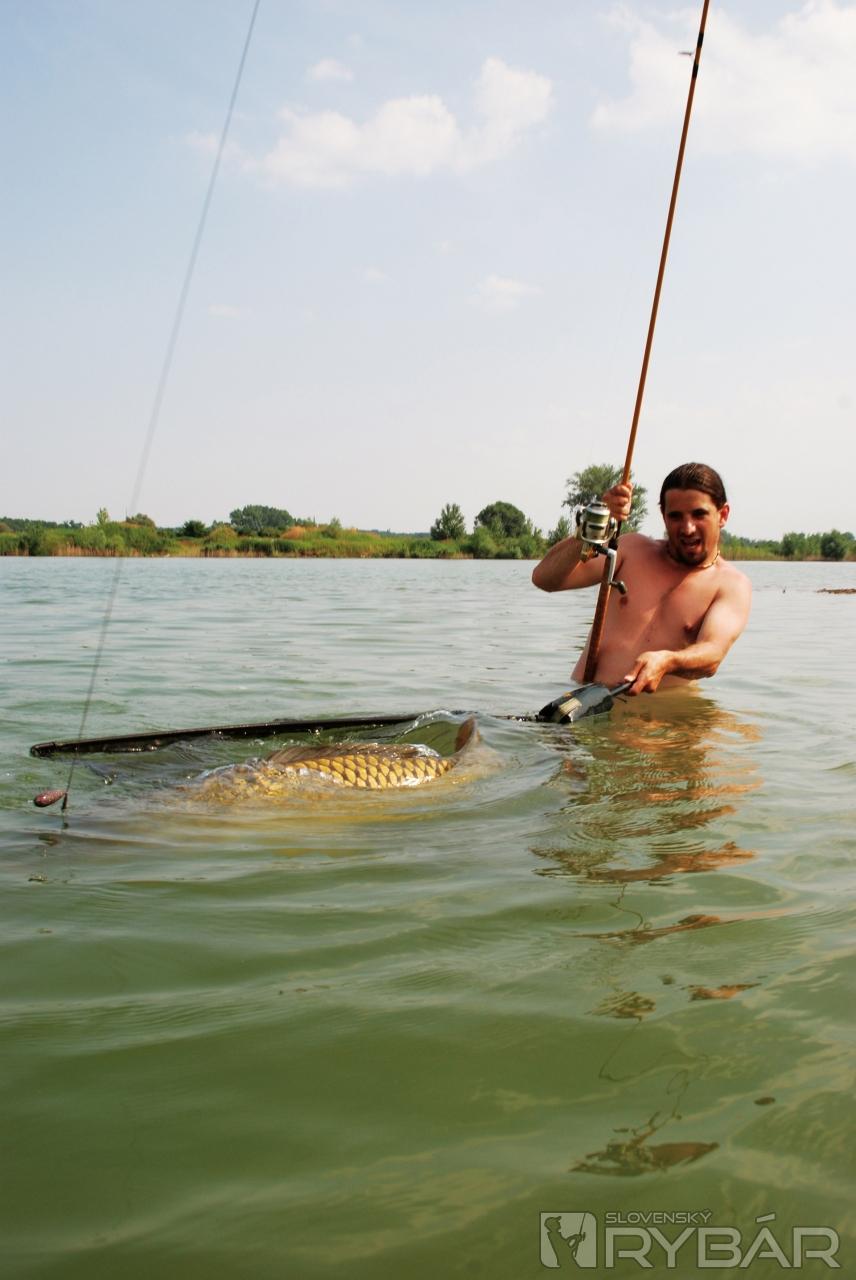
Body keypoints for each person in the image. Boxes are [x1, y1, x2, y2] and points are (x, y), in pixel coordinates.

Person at [531, 462, 752, 695]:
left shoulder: (731, 584)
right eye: (675, 516)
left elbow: (712, 655)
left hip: (661, 715)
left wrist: (668, 661)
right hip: (583, 702)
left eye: (699, 514)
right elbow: (544, 579)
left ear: (723, 515)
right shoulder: (630, 549)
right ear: (663, 516)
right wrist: (594, 522)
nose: (687, 528)